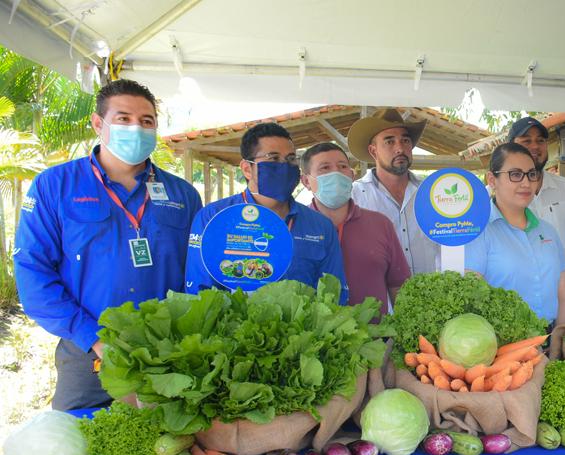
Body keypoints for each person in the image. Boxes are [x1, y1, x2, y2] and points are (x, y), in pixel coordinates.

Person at [13, 79, 202, 410]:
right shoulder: (54, 186)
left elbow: (198, 274)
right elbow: (33, 272)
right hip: (88, 354)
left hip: (168, 357)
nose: (137, 128)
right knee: (78, 448)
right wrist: (95, 339)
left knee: (170, 450)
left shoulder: (183, 195)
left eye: (146, 121)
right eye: (124, 118)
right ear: (98, 124)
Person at [185, 123, 347, 302]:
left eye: (291, 158)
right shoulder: (212, 218)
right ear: (247, 169)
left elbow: (334, 296)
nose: (284, 166)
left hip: (302, 328)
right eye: (273, 158)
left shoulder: (320, 226)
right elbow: (199, 294)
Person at [465, 143, 565, 327]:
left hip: (552, 338)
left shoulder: (548, 231)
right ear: (492, 180)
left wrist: (558, 343)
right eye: (515, 174)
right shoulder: (476, 233)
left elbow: (564, 296)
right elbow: (475, 301)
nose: (526, 183)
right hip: (503, 346)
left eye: (532, 174)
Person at [301, 141, 410, 313]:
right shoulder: (294, 227)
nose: (336, 173)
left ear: (352, 176)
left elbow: (398, 284)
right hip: (312, 339)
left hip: (376, 338)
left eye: (343, 166)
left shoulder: (380, 224)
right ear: (306, 181)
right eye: (325, 168)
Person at [349, 108, 439, 275]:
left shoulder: (432, 192)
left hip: (429, 298)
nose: (400, 148)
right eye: (389, 141)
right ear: (373, 151)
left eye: (405, 140)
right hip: (379, 300)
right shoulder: (355, 196)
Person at [507, 117, 565, 293]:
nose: (535, 146)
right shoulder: (500, 192)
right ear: (510, 147)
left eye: (540, 141)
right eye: (526, 140)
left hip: (564, 298)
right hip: (515, 303)